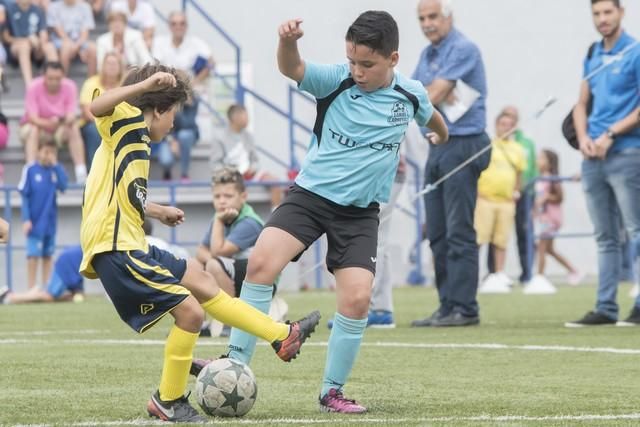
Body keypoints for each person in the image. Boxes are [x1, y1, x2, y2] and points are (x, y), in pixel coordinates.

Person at [193, 12, 448, 413]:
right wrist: (289, 41)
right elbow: (290, 67)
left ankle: (332, 391)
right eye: (353, 61)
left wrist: (438, 133)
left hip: (360, 213)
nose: (357, 71)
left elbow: (434, 119)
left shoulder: (410, 94)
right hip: (310, 198)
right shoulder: (336, 80)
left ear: (393, 59)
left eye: (368, 64)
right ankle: (233, 363)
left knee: (358, 299)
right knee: (260, 263)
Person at [79, 63, 320, 422]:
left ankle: (282, 335)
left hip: (130, 240)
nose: (174, 123)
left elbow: (120, 192)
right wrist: (146, 84)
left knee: (200, 278)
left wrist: (157, 210)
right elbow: (95, 107)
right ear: (157, 109)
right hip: (115, 248)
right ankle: (168, 399)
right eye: (173, 113)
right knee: (191, 313)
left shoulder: (140, 141)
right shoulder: (123, 120)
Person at [411, 0, 490, 327]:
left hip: (464, 143)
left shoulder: (464, 48)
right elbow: (412, 90)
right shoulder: (427, 54)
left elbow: (431, 94)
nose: (428, 23)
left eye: (433, 16)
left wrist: (412, 96)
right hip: (437, 146)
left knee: (459, 230)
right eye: (422, 18)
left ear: (448, 17)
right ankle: (447, 305)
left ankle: (465, 308)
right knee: (438, 232)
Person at [567, 0, 640, 327]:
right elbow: (581, 103)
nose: (602, 19)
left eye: (608, 12)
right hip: (592, 157)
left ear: (621, 13)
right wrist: (583, 138)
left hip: (626, 153)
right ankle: (606, 307)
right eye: (597, 14)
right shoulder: (593, 53)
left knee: (636, 231)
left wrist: (611, 133)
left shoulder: (635, 52)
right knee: (605, 236)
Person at [196, 167, 287, 336]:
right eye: (217, 196)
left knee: (214, 265)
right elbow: (201, 250)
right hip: (235, 276)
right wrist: (208, 262)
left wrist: (218, 224)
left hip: (260, 283)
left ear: (243, 197)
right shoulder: (220, 217)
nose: (222, 201)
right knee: (193, 267)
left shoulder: (249, 222)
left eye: (228, 196)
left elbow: (219, 253)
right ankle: (200, 322)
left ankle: (232, 323)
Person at [487, 106, 538, 285]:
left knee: (520, 234)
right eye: (504, 120)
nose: (507, 125)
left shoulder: (525, 144)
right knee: (489, 236)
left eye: (512, 120)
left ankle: (526, 274)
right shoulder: (490, 143)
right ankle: (491, 273)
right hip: (490, 196)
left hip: (520, 195)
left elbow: (528, 170)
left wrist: (524, 191)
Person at [475, 112, 525, 294]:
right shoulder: (487, 144)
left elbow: (519, 172)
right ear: (496, 125)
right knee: (480, 237)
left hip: (506, 201)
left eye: (509, 124)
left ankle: (499, 273)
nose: (505, 127)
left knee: (501, 240)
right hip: (485, 199)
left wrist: (516, 191)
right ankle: (476, 272)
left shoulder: (517, 149)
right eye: (502, 123)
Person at [20, 61, 87, 183]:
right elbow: (32, 118)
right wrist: (49, 123)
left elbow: (71, 114)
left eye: (58, 78)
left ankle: (81, 171)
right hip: (37, 128)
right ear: (43, 76)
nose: (54, 82)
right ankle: (30, 171)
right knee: (33, 129)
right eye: (50, 78)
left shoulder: (70, 86)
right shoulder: (33, 87)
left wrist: (64, 120)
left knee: (74, 128)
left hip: (59, 128)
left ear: (62, 77)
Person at [210, 104, 283, 208]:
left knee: (275, 182)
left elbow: (255, 160)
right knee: (234, 189)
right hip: (231, 175)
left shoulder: (248, 136)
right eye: (246, 116)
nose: (248, 119)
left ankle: (276, 218)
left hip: (250, 174)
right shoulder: (219, 137)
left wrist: (252, 168)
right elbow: (215, 164)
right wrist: (231, 172)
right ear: (235, 117)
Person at [19, 139, 68, 290]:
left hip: (50, 222)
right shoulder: (30, 170)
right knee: (33, 256)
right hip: (35, 222)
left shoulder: (55, 170)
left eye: (53, 152)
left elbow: (64, 186)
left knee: (47, 255)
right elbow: (25, 196)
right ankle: (32, 287)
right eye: (46, 152)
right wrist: (26, 219)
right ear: (39, 151)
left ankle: (46, 287)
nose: (49, 156)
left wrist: (57, 166)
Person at [533, 149, 582, 285]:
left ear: (550, 163)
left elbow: (560, 197)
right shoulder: (540, 178)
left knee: (542, 246)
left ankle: (539, 277)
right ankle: (573, 270)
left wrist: (547, 197)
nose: (538, 161)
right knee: (549, 249)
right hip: (543, 217)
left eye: (542, 158)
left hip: (550, 218)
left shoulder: (551, 178)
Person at [79, 52, 125, 169]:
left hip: (119, 124)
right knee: (94, 130)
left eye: (115, 64)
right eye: (109, 63)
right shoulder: (91, 83)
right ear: (102, 66)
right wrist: (105, 125)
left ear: (120, 67)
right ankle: (94, 171)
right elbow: (86, 111)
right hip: (94, 124)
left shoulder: (125, 85)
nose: (111, 66)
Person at [0, 245, 84, 304]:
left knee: (49, 295)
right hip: (66, 264)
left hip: (66, 261)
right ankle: (10, 297)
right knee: (49, 296)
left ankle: (10, 294)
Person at [151, 11, 214, 88]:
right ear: (169, 26)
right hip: (165, 87)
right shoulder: (159, 42)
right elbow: (153, 65)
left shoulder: (196, 42)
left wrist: (196, 82)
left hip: (189, 87)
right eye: (174, 24)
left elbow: (211, 62)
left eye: (182, 23)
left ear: (186, 26)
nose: (178, 27)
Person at [3, 0, 56, 85]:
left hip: (36, 48)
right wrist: (26, 40)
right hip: (16, 48)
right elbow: (6, 37)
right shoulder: (9, 10)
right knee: (24, 46)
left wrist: (39, 42)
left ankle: (56, 80)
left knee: (49, 46)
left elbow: (43, 33)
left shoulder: (38, 10)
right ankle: (29, 85)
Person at [46, 0, 97, 77]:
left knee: (93, 48)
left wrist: (77, 46)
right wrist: (72, 45)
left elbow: (85, 33)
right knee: (66, 47)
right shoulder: (53, 7)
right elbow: (59, 30)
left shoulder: (85, 7)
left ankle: (90, 83)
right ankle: (63, 81)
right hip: (60, 40)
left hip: (80, 41)